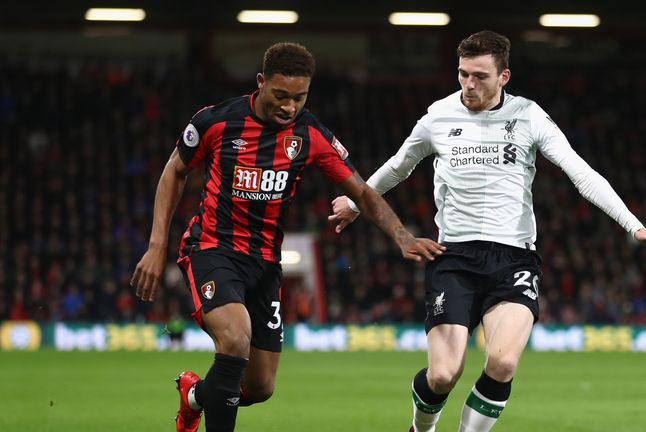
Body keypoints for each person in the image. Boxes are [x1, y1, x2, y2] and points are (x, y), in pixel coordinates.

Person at [328, 30, 646, 432]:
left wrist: (633, 226)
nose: (469, 84)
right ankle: (421, 429)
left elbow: (580, 172)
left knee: (502, 361)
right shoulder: (438, 116)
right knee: (443, 375)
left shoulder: (528, 115)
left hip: (513, 258)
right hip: (453, 259)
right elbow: (398, 165)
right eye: (463, 74)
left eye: (480, 76)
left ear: (504, 76)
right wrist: (357, 203)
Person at [130, 42, 445, 432]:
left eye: (299, 98)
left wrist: (401, 236)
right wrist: (157, 245)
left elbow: (361, 190)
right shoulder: (217, 122)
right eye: (280, 95)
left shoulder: (309, 134)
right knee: (234, 338)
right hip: (212, 249)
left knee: (260, 386)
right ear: (261, 83)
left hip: (264, 264)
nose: (289, 107)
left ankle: (194, 397)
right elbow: (174, 171)